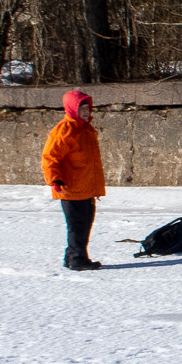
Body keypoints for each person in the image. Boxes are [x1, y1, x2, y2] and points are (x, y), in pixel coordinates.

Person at [41, 89, 106, 271]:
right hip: (70, 189)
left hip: (86, 188)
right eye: (81, 108)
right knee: (77, 226)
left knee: (84, 224)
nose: (86, 112)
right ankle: (77, 259)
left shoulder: (87, 130)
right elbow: (50, 157)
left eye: (87, 108)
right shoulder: (64, 130)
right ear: (72, 109)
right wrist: (55, 179)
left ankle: (72, 256)